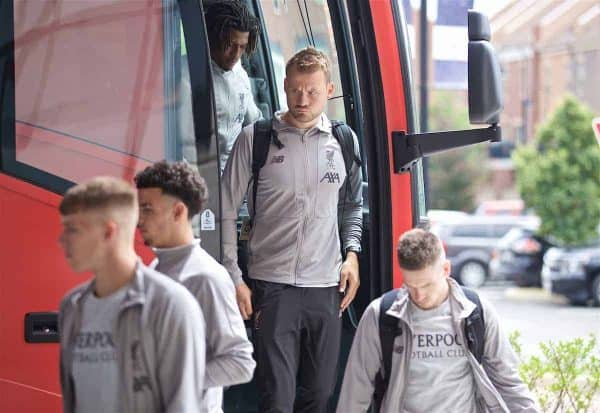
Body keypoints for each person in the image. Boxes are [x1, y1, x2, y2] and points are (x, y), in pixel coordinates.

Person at [221, 47, 363, 412]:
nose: (302, 99)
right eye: (295, 89)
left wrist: (352, 254)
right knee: (278, 400)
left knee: (318, 396)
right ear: (284, 86)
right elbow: (221, 210)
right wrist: (234, 277)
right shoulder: (257, 139)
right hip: (273, 287)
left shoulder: (343, 142)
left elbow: (351, 206)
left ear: (329, 89)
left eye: (312, 91)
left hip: (325, 287)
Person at [336, 228, 539, 413]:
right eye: (410, 285)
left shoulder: (476, 311)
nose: (419, 295)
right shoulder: (381, 315)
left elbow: (509, 382)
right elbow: (356, 390)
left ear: (446, 269)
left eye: (426, 285)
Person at [57, 176, 206, 413]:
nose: (61, 240)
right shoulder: (72, 307)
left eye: (72, 229)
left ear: (108, 232)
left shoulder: (171, 305)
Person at [135, 160, 255, 413]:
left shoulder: (206, 277)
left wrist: (170, 382)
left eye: (147, 210)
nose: (139, 220)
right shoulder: (157, 268)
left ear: (178, 212)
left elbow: (240, 363)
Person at [204, 0, 263, 171]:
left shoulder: (240, 73)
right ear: (214, 38)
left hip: (238, 174)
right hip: (203, 177)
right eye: (230, 45)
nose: (236, 55)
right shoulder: (188, 75)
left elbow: (255, 121)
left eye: (242, 47)